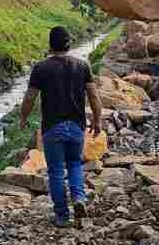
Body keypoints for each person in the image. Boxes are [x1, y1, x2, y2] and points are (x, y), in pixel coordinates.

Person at [19, 26, 104, 227]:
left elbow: (30, 97)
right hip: (76, 126)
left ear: (50, 45)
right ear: (69, 44)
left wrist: (23, 117)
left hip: (52, 127)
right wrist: (98, 120)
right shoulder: (82, 66)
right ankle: (79, 198)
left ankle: (62, 216)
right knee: (74, 164)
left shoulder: (41, 69)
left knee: (56, 170)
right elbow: (93, 95)